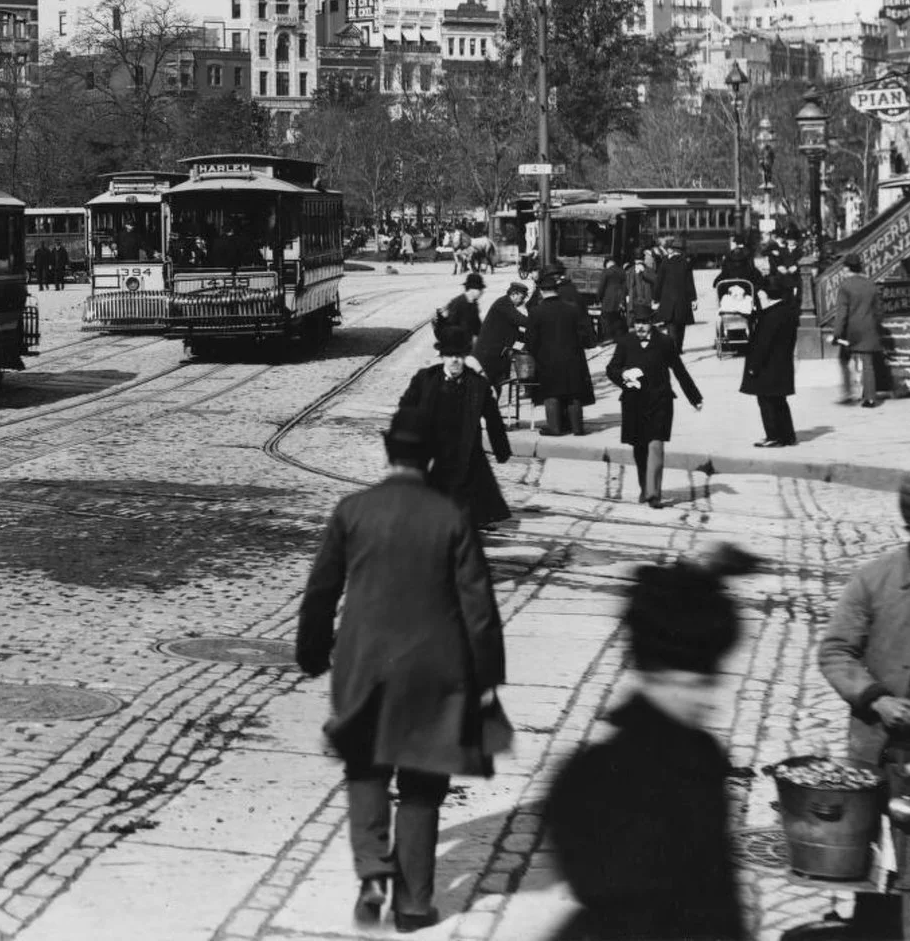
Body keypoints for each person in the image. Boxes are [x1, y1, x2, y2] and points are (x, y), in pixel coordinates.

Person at [295, 423, 508, 934]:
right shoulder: (452, 513)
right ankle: (413, 905)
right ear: (429, 461)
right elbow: (478, 604)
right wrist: (485, 677)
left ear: (387, 456)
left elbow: (322, 588)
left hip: (364, 661)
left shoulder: (353, 510)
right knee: (421, 783)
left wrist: (312, 650)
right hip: (435, 667)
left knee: (365, 769)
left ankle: (372, 872)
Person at [544, 546, 758, 940]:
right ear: (653, 675)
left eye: (712, 683)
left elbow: (718, 886)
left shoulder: (704, 756)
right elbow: (609, 893)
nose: (708, 700)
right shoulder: (596, 773)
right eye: (693, 685)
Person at [810, 471, 910, 938]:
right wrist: (877, 701)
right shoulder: (873, 581)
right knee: (873, 886)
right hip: (880, 757)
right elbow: (836, 651)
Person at [390, 319, 512, 531]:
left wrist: (501, 450)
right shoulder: (425, 380)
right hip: (433, 451)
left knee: (469, 511)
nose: (455, 361)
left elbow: (494, 419)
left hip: (466, 452)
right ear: (442, 356)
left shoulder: (477, 385)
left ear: (465, 357)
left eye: (459, 356)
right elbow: (405, 409)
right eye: (450, 356)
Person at [603, 310, 702, 507]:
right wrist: (624, 374)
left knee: (655, 446)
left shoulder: (665, 342)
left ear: (652, 323)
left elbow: (679, 370)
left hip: (660, 401)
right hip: (634, 403)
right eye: (636, 322)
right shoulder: (625, 342)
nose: (640, 326)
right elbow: (611, 369)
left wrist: (694, 397)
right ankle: (644, 488)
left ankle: (653, 494)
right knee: (639, 449)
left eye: (644, 322)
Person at [741, 253, 800, 449]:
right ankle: (788, 435)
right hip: (782, 365)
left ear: (768, 294)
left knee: (766, 402)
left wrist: (753, 367)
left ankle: (773, 435)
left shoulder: (770, 317)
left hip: (767, 368)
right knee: (780, 401)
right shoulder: (787, 313)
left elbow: (761, 344)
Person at [525, 270, 595, 436]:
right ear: (557, 290)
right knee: (574, 393)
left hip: (548, 360)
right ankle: (577, 428)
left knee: (552, 393)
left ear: (542, 291)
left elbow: (530, 341)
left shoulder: (536, 312)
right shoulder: (572, 309)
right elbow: (585, 334)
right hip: (573, 357)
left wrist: (536, 354)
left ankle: (555, 428)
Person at [828, 253, 889, 408]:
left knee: (843, 360)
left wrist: (837, 333)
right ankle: (870, 398)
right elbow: (879, 311)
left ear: (847, 268)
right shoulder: (871, 284)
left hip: (851, 330)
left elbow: (842, 312)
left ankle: (848, 393)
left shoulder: (845, 286)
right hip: (868, 328)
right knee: (868, 364)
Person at [475, 281, 531, 394]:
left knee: (495, 385)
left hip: (494, 352)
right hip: (488, 353)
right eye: (522, 297)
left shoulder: (506, 304)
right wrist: (541, 321)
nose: (523, 300)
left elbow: (515, 332)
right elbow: (521, 320)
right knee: (487, 385)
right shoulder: (504, 304)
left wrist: (531, 337)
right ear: (514, 294)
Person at [653, 236, 698, 352]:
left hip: (668, 299)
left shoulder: (665, 262)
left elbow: (659, 281)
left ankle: (672, 348)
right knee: (681, 325)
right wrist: (693, 299)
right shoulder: (685, 262)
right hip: (683, 300)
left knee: (671, 326)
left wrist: (655, 297)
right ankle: (679, 348)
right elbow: (690, 282)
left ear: (672, 249)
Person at [440, 273, 485, 350]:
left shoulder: (473, 304)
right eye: (480, 289)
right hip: (457, 345)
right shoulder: (458, 303)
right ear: (472, 289)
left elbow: (477, 326)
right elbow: (450, 326)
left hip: (468, 344)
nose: (482, 292)